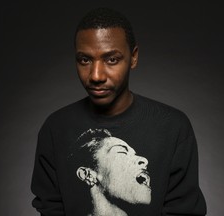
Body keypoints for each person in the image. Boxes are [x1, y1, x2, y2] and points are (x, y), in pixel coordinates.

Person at [31, 7, 207, 216]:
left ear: (133, 57)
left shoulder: (173, 127)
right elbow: (49, 207)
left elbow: (184, 211)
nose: (96, 75)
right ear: (87, 174)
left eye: (111, 59)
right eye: (85, 60)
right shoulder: (55, 128)